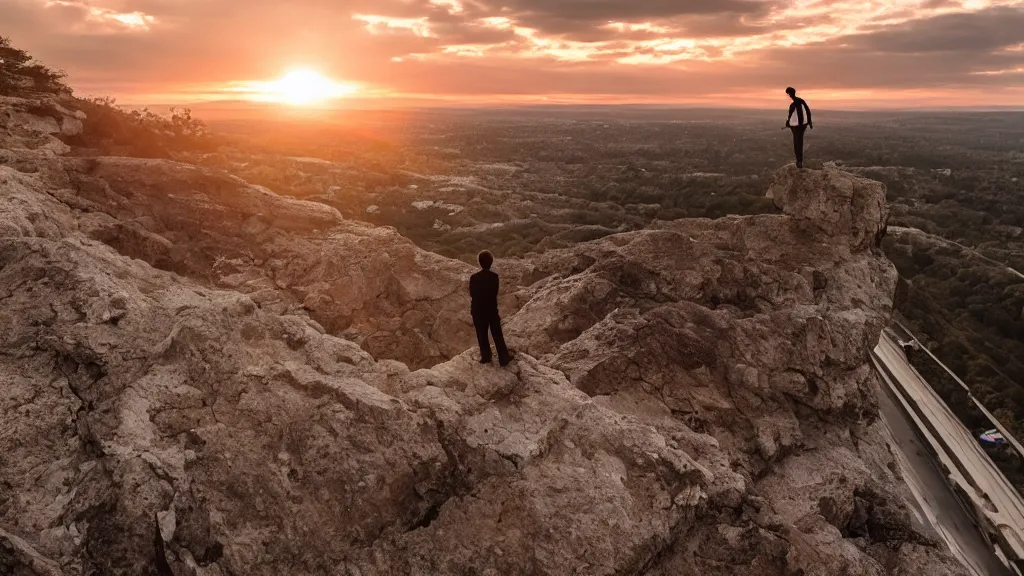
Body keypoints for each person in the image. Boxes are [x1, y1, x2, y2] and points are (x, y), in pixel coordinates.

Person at [469, 250, 512, 366]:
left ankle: (486, 356)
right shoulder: (495, 277)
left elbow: (472, 294)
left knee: (481, 334)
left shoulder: (474, 278)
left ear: (479, 262)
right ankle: (503, 357)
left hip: (478, 310)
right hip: (491, 310)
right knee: (497, 334)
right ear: (491, 262)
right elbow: (494, 293)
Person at [784, 87, 813, 168]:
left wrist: (788, 123)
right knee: (799, 142)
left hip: (797, 126)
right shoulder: (801, 101)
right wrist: (809, 122)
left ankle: (799, 161)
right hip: (802, 125)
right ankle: (799, 160)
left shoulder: (794, 104)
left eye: (788, 94)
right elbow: (807, 111)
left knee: (797, 143)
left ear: (790, 93)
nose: (789, 96)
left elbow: (790, 116)